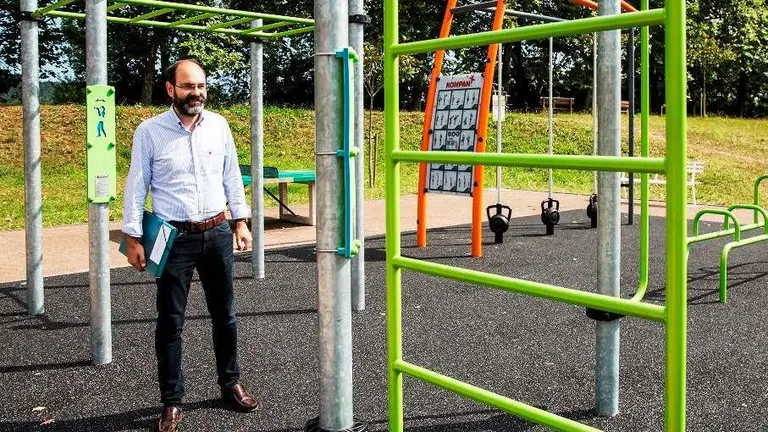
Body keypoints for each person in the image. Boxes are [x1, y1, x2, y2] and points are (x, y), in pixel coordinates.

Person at [122, 58, 257, 432]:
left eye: (200, 86)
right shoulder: (149, 132)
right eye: (187, 86)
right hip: (172, 238)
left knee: (225, 315)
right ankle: (171, 402)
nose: (195, 93)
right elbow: (137, 186)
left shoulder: (218, 125)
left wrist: (240, 221)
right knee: (170, 322)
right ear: (171, 89)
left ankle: (230, 383)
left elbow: (232, 175)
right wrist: (132, 237)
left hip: (216, 233)